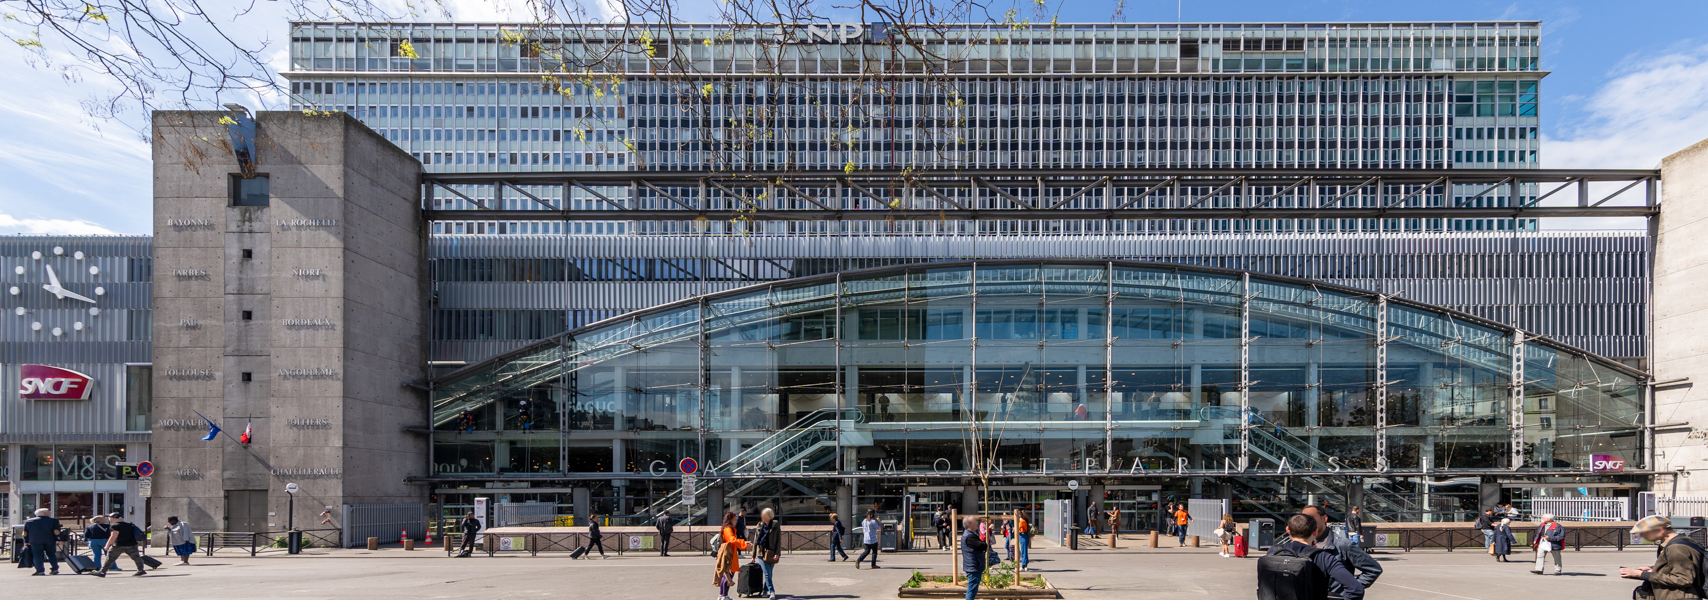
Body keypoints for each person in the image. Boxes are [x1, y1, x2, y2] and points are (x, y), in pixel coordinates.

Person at [1259, 514, 1365, 600]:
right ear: (1315, 531)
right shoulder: (1323, 557)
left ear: (1288, 530)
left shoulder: (1274, 551)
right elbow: (1356, 589)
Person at [1300, 505, 1381, 599]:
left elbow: (1373, 569)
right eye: (1303, 518)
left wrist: (1348, 588)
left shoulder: (1343, 545)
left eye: (1311, 517)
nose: (1306, 521)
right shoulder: (1299, 544)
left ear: (1324, 519)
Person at [1624, 515, 1707, 600]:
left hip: (1680, 597)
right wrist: (1653, 569)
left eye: (1644, 533)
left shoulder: (1676, 548)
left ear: (1660, 530)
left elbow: (1683, 579)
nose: (1642, 536)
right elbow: (1677, 567)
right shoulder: (1683, 541)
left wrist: (1642, 574)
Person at [93, 512, 147, 578]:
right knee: (136, 557)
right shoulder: (129, 525)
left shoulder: (115, 525)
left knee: (110, 558)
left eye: (109, 517)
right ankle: (141, 570)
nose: (109, 519)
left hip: (119, 545)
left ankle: (102, 572)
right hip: (131, 544)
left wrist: (107, 545)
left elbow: (114, 536)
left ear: (112, 518)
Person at [714, 511, 751, 600]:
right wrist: (744, 544)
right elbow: (732, 539)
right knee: (728, 575)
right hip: (728, 555)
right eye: (734, 519)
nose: (736, 521)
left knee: (725, 575)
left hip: (726, 553)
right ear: (730, 520)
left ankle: (722, 595)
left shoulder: (725, 528)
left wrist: (743, 543)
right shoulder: (728, 529)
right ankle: (724, 595)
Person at [23, 507, 62, 576]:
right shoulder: (53, 521)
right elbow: (57, 532)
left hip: (35, 541)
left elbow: (25, 532)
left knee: (37, 556)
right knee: (51, 554)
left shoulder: (29, 521)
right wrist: (59, 539)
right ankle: (54, 568)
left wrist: (26, 541)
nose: (50, 512)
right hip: (50, 540)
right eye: (48, 511)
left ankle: (40, 570)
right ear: (44, 513)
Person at [754, 507, 782, 600]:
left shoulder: (776, 525)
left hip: (771, 552)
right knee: (767, 573)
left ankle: (765, 590)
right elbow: (755, 541)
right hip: (761, 552)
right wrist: (753, 556)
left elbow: (779, 541)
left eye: (764, 515)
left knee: (769, 573)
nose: (762, 516)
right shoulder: (759, 526)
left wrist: (777, 553)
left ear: (769, 516)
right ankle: (772, 592)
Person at [961, 516, 989, 600]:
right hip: (973, 567)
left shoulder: (971, 534)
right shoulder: (970, 537)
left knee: (973, 589)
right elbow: (982, 545)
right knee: (972, 591)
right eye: (975, 522)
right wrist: (984, 543)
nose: (977, 523)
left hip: (973, 566)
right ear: (969, 524)